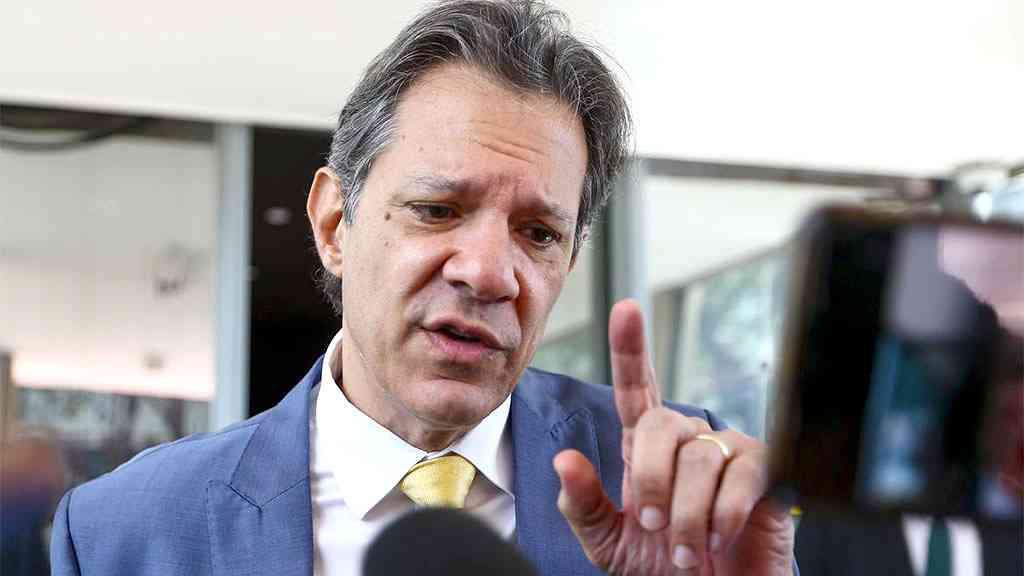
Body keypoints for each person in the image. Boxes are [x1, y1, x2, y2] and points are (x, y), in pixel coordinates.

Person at [49, 2, 795, 574]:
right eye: (438, 210)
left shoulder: (674, 492)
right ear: (335, 224)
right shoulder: (124, 532)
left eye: (539, 233)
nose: (489, 272)